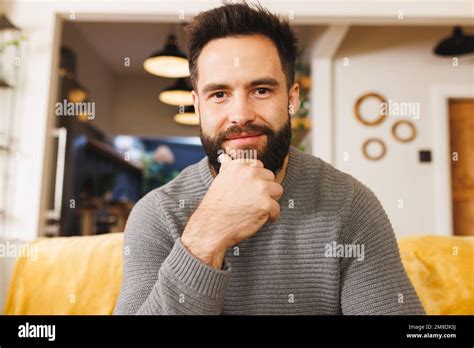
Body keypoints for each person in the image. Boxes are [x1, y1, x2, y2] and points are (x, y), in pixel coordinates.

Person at [114, 2, 425, 315]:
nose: (240, 115)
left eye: (261, 90)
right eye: (219, 94)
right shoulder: (156, 214)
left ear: (291, 99)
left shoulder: (350, 204)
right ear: (197, 106)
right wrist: (206, 237)